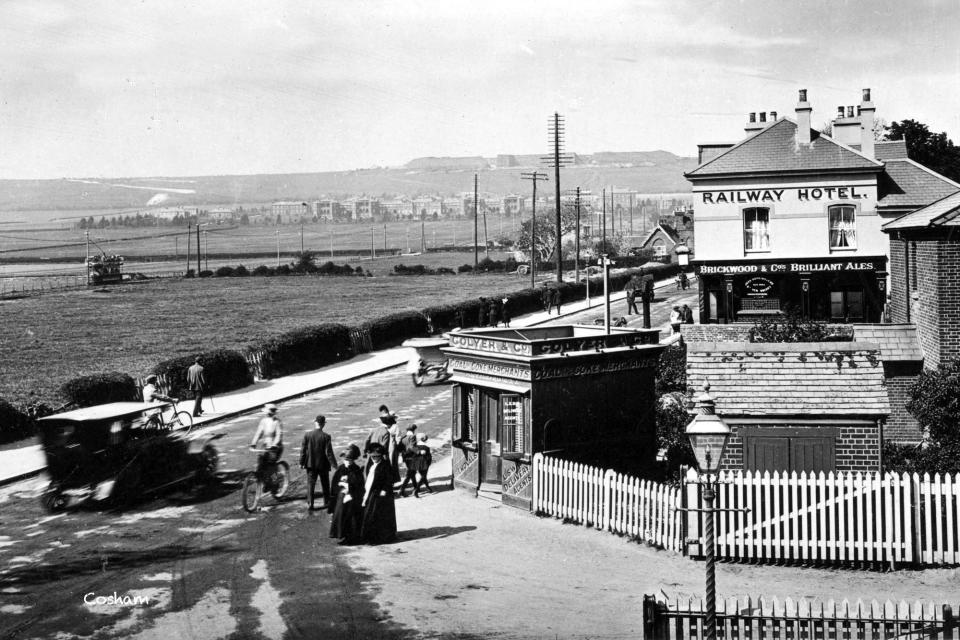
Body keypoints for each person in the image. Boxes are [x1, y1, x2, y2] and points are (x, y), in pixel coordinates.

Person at [361, 443, 397, 544]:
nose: (375, 458)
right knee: (371, 514)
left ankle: (380, 537)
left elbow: (389, 479)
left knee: (378, 515)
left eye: (377, 456)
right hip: (372, 491)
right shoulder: (371, 464)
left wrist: (384, 490)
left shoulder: (385, 465)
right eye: (373, 456)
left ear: (381, 456)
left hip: (382, 494)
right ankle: (370, 536)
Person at [300, 414, 337, 510]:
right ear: (323, 424)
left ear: (315, 422)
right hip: (323, 464)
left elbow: (303, 450)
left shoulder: (307, 435)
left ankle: (310, 504)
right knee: (325, 483)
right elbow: (329, 453)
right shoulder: (326, 436)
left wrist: (301, 462)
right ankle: (327, 502)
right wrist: (334, 465)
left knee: (310, 484)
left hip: (310, 464)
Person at [329, 444, 364, 545]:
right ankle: (343, 535)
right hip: (341, 498)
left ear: (353, 460)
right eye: (345, 459)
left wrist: (348, 486)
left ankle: (351, 537)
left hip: (352, 499)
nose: (347, 462)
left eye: (349, 460)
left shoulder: (356, 470)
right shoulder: (341, 468)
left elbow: (359, 485)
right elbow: (334, 484)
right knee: (341, 517)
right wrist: (339, 486)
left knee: (351, 518)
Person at [250, 403, 284, 472]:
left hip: (276, 447)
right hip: (266, 445)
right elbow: (258, 433)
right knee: (260, 462)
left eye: (270, 413)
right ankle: (261, 479)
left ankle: (274, 479)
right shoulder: (263, 421)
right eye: (268, 413)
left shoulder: (277, 422)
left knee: (270, 463)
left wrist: (274, 444)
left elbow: (278, 435)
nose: (268, 414)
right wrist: (253, 444)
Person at [364, 406, 393, 473]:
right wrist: (386, 457)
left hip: (370, 454)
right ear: (389, 424)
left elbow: (367, 440)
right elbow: (384, 446)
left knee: (368, 471)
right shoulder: (386, 432)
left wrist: (365, 451)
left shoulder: (374, 430)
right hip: (379, 455)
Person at [410, 432, 433, 497]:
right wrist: (429, 464)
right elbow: (429, 457)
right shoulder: (426, 447)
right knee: (423, 476)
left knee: (423, 476)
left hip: (416, 464)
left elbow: (413, 456)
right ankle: (416, 490)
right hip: (424, 463)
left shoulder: (415, 447)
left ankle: (428, 487)